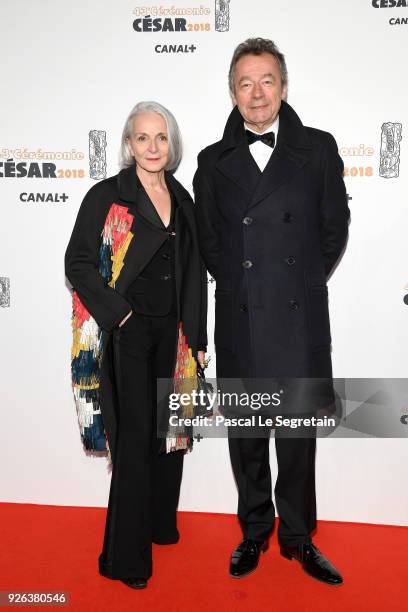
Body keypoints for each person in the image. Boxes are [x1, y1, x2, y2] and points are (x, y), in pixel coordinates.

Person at [193, 38, 350, 585]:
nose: (257, 93)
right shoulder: (212, 162)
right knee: (248, 437)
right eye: (245, 82)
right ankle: (254, 531)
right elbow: (210, 242)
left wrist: (303, 282)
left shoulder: (320, 149)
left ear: (283, 86)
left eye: (266, 81)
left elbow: (335, 229)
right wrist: (240, 284)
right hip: (242, 317)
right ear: (232, 93)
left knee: (298, 436)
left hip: (297, 317)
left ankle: (299, 537)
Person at [65, 101, 207, 589]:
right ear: (128, 144)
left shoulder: (182, 197)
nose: (152, 147)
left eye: (161, 138)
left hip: (174, 334)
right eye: (143, 137)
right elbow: (78, 264)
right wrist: (116, 312)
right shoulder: (107, 196)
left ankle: (159, 526)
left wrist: (198, 337)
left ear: (172, 145)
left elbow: (195, 274)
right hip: (128, 333)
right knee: (133, 439)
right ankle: (124, 559)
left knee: (169, 434)